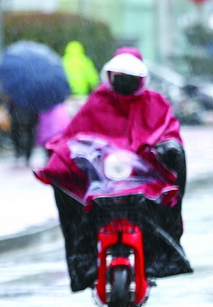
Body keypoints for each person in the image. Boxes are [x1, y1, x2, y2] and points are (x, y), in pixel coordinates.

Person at [36, 46, 191, 292]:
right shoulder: (97, 101)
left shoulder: (155, 102)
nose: (124, 81)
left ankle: (160, 252)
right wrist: (62, 152)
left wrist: (166, 149)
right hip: (102, 179)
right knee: (62, 176)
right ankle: (85, 261)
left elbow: (167, 131)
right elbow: (76, 134)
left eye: (129, 76)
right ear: (109, 76)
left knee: (175, 168)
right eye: (119, 76)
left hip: (144, 180)